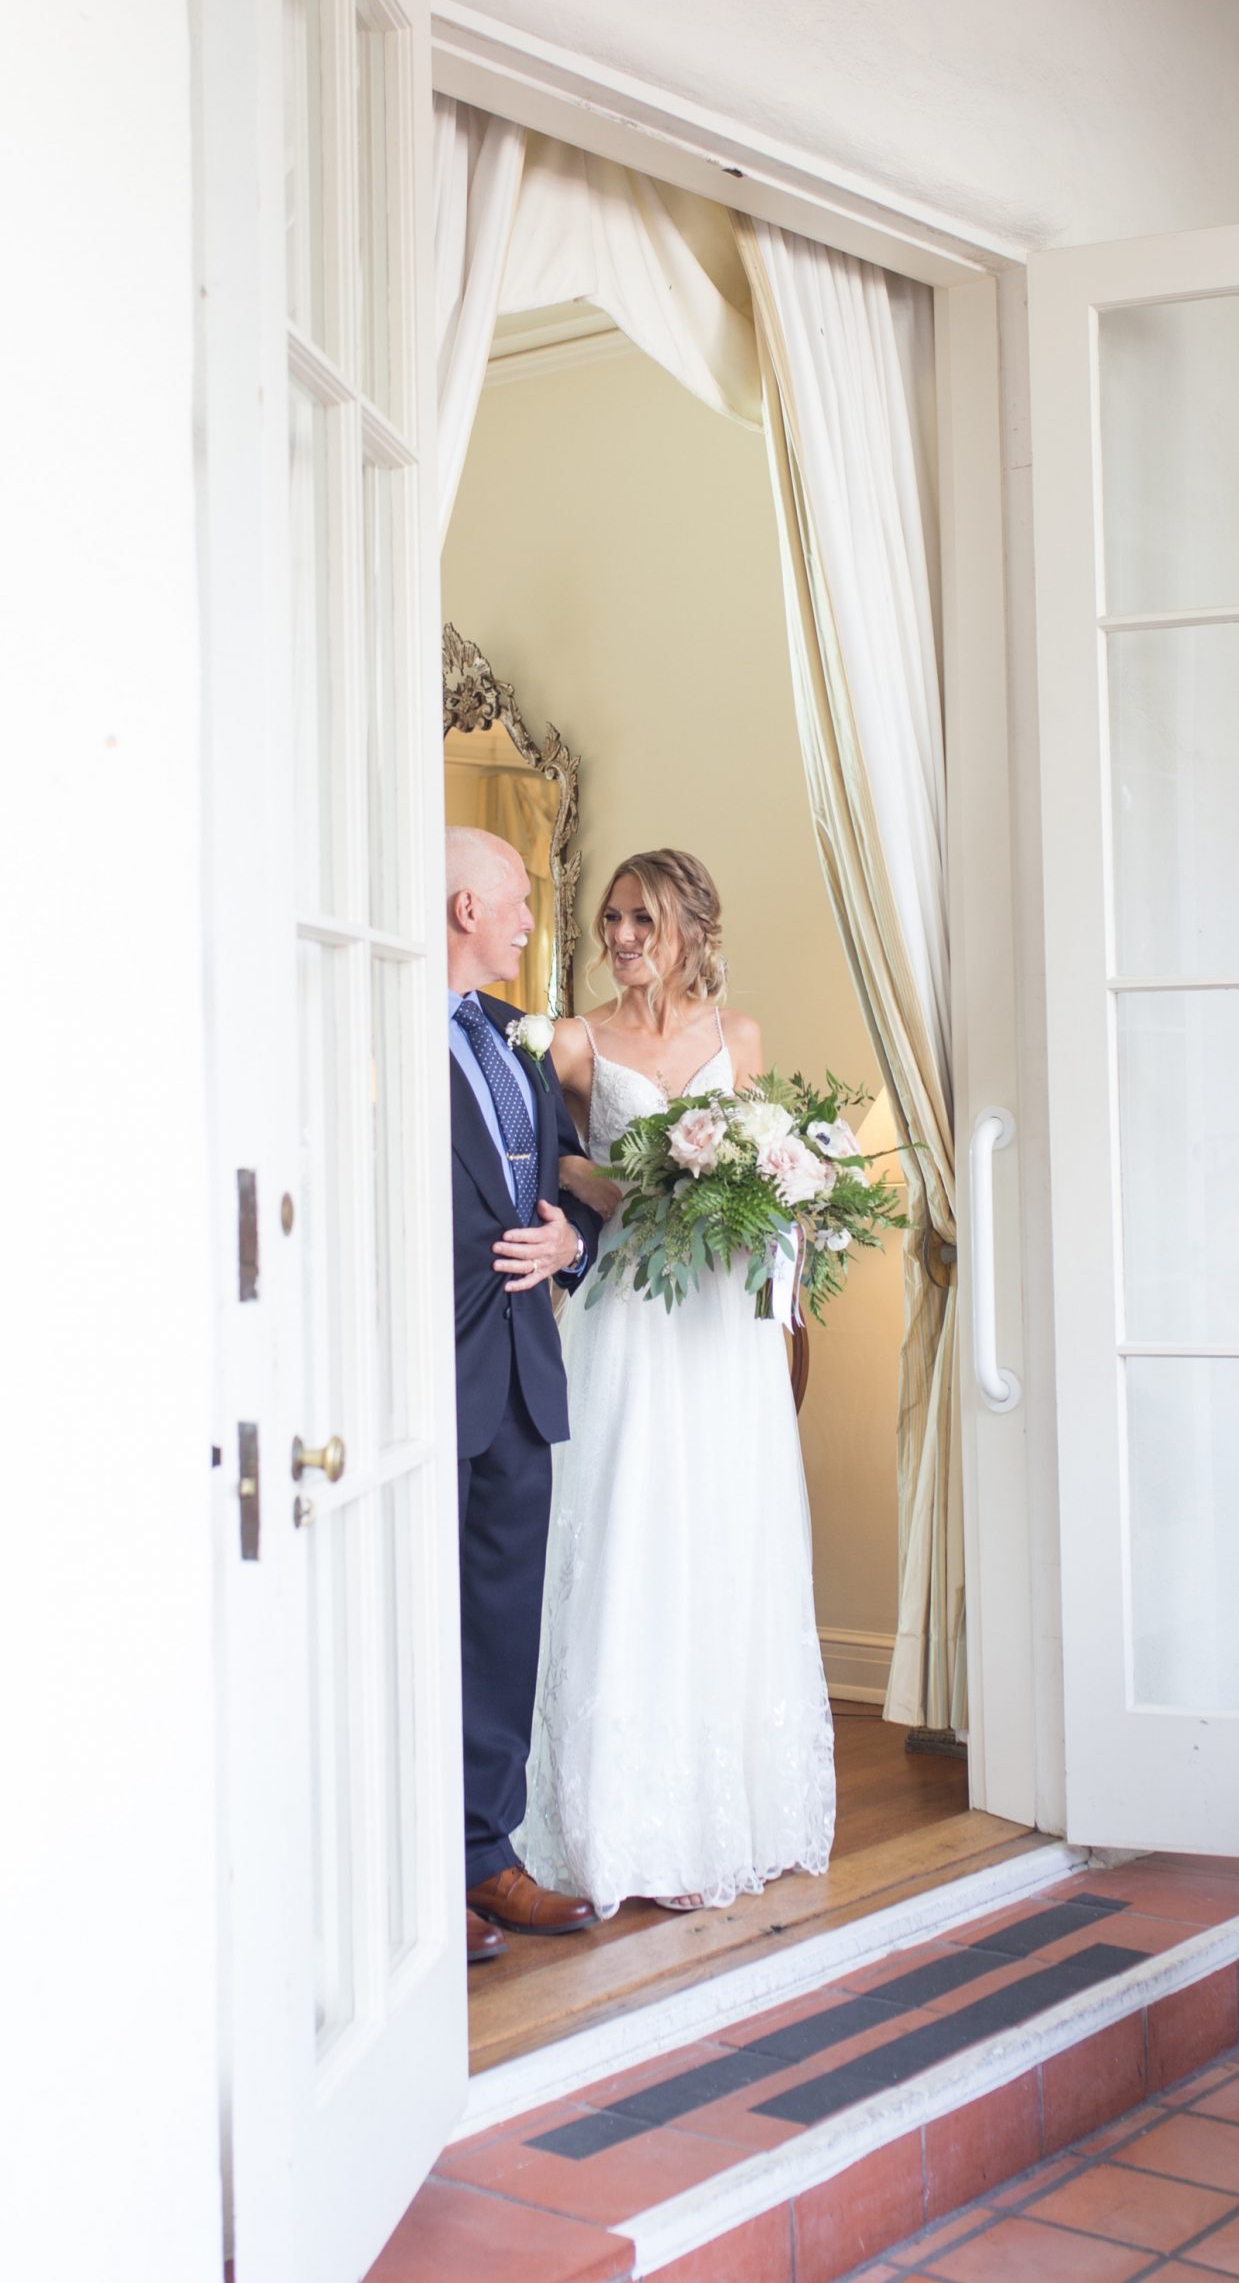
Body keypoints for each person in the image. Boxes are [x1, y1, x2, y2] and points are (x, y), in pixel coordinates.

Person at [515, 848, 836, 1915]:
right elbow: (542, 1164)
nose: (619, 937)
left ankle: (727, 1810)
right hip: (630, 1320)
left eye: (641, 920)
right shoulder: (572, 1042)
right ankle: (612, 1817)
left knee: (720, 1534)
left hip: (718, 1322)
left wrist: (768, 1202)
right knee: (624, 1533)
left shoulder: (736, 1037)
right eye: (611, 919)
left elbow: (764, 1164)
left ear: (690, 928)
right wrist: (594, 1180)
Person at [446, 826, 603, 1962]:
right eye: (513, 906)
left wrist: (570, 1244)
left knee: (501, 1619)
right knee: (409, 1630)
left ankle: (487, 1856)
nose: (524, 926)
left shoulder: (515, 1035)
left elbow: (564, 1183)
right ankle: (408, 1884)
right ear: (464, 906)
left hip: (520, 1372)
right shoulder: (362, 1018)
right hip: (416, 1368)